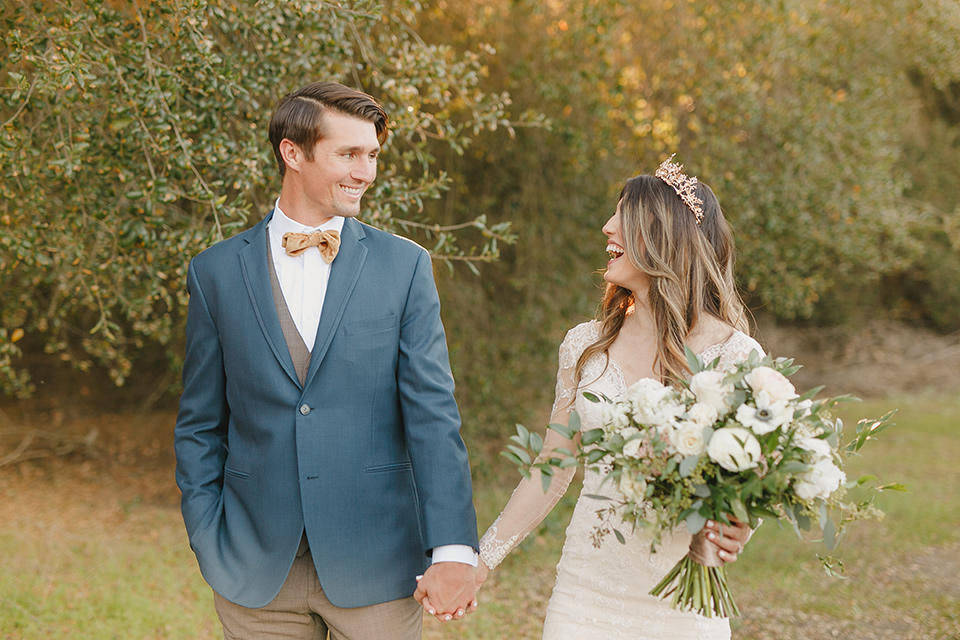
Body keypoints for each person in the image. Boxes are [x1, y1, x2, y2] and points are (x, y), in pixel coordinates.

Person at [174, 81, 479, 640]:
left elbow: (433, 417)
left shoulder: (405, 266)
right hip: (255, 573)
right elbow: (200, 422)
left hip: (379, 566)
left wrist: (454, 548)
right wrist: (207, 532)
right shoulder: (214, 272)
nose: (366, 172)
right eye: (349, 154)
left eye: (372, 155)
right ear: (293, 153)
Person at [476, 157, 764, 639]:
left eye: (623, 217)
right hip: (583, 595)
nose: (608, 226)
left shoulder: (734, 355)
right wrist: (481, 562)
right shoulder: (585, 345)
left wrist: (740, 524)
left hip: (681, 601)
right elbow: (553, 467)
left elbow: (746, 476)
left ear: (664, 237)